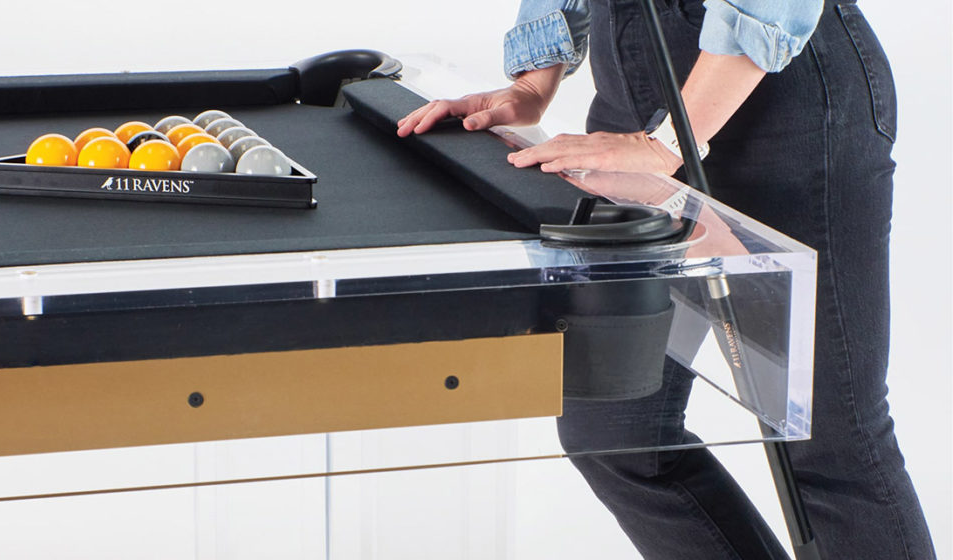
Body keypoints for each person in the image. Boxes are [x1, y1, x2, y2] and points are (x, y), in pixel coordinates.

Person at [397, 0, 936, 558]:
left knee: (828, 439)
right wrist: (534, 82)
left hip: (783, 92)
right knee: (613, 430)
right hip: (636, 80)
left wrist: (672, 140)